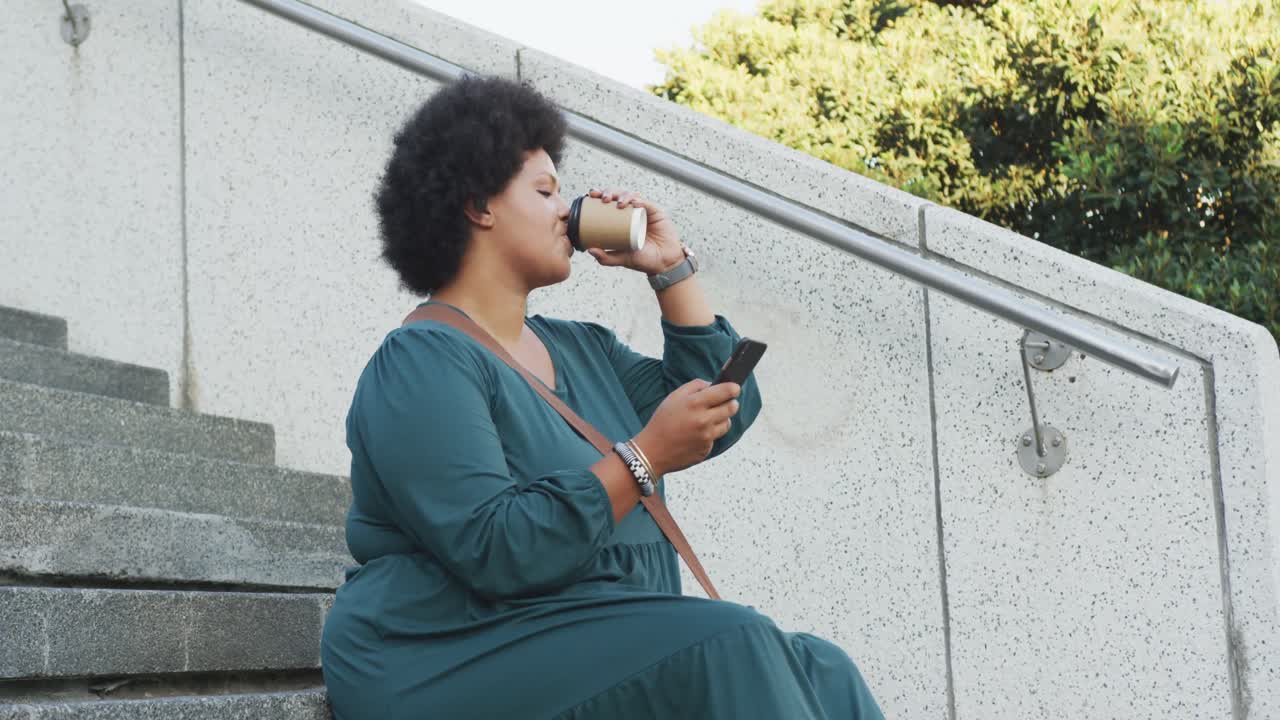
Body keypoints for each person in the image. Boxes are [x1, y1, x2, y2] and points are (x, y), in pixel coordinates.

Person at [320, 74, 884, 720]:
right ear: (479, 206)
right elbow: (493, 545)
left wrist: (672, 270)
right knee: (735, 641)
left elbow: (712, 413)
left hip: (584, 632)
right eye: (544, 190)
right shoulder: (421, 361)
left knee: (825, 670)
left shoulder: (581, 350)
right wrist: (643, 458)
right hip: (445, 650)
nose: (568, 209)